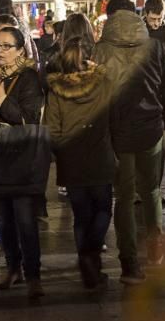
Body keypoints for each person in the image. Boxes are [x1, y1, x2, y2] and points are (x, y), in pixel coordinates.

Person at [93, 0, 165, 284]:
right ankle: (155, 247)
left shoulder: (101, 51)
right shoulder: (154, 46)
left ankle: (129, 262)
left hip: (117, 134)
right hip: (151, 129)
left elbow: (94, 96)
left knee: (125, 197)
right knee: (152, 191)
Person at [46, 35, 114, 289]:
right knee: (104, 209)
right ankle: (90, 257)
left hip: (71, 161)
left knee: (81, 216)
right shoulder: (103, 84)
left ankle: (89, 271)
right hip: (100, 157)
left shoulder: (57, 91)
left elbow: (52, 131)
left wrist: (64, 149)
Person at [0, 26, 46, 299]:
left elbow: (28, 118)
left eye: (6, 46)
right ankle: (13, 268)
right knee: (3, 221)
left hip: (22, 159)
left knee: (25, 220)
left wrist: (1, 99)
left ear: (20, 50)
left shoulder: (29, 78)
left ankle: (33, 274)